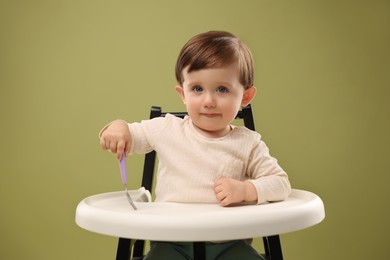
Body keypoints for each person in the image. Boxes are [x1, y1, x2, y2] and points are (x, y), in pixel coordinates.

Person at [99, 31, 291, 260]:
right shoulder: (167, 128)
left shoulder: (247, 143)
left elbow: (281, 183)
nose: (209, 101)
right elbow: (130, 132)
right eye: (197, 89)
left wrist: (246, 191)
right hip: (171, 243)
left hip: (228, 243)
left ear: (246, 97)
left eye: (222, 89)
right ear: (183, 93)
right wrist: (118, 129)